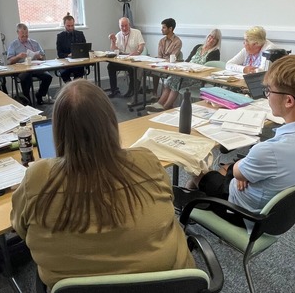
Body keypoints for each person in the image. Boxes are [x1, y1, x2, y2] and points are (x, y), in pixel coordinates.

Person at [11, 79, 195, 289]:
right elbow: (167, 205)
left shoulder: (37, 178)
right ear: (111, 123)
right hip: (167, 284)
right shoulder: (146, 161)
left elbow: (21, 230)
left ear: (59, 131)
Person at [189, 54, 295, 229]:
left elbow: (238, 172)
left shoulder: (270, 151)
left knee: (194, 167)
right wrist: (242, 171)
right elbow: (250, 169)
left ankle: (188, 209)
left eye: (269, 91)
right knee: (229, 167)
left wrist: (239, 171)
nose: (267, 96)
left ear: (288, 101)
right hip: (277, 213)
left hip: (242, 212)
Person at [146, 29, 221, 112]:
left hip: (198, 78)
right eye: (210, 37)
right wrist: (184, 67)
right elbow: (188, 60)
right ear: (207, 37)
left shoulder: (215, 52)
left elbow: (209, 69)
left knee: (177, 80)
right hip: (186, 73)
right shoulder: (198, 47)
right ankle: (160, 104)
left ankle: (165, 107)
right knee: (171, 78)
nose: (211, 40)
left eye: (214, 39)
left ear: (217, 42)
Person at [7, 23, 52, 106]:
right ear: (18, 33)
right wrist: (18, 56)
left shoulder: (34, 43)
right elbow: (9, 61)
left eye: (26, 35)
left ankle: (39, 95)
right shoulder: (13, 45)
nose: (24, 37)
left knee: (48, 77)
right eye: (22, 36)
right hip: (21, 69)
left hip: (34, 67)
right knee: (26, 77)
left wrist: (39, 56)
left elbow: (43, 56)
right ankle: (27, 101)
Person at [107, 17, 146, 98]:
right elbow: (115, 49)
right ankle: (114, 90)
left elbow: (141, 46)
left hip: (134, 58)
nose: (124, 28)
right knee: (110, 66)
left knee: (131, 68)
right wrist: (113, 41)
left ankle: (131, 90)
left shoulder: (136, 32)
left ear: (129, 25)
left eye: (126, 26)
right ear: (119, 26)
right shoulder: (118, 34)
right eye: (122, 26)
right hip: (123, 58)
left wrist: (138, 52)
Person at [151, 18, 183, 99]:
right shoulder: (161, 41)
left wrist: (162, 61)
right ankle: (154, 93)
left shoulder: (177, 41)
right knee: (152, 71)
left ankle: (162, 97)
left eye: (164, 28)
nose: (161, 29)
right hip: (161, 64)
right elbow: (159, 56)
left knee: (156, 71)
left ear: (170, 28)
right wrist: (160, 61)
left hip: (171, 66)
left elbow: (172, 57)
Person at [56, 13, 87, 83]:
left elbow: (85, 48)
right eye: (68, 26)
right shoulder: (60, 36)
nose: (70, 28)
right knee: (64, 73)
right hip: (66, 63)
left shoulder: (80, 34)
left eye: (72, 26)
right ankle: (70, 88)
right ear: (64, 25)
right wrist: (68, 55)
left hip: (78, 62)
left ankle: (76, 88)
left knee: (79, 71)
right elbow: (59, 53)